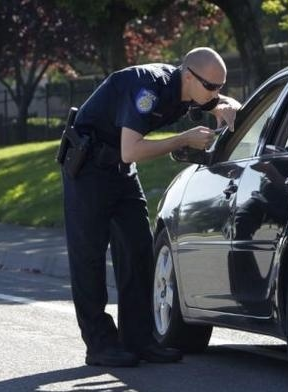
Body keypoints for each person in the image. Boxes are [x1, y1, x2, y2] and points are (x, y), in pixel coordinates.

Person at [61, 47, 241, 367]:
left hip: (120, 172)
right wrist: (183, 138)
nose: (216, 93)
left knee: (138, 251)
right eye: (212, 87)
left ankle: (139, 340)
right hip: (88, 169)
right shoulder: (148, 87)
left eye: (220, 86)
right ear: (188, 76)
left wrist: (224, 106)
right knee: (88, 258)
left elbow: (220, 102)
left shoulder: (189, 87)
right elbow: (131, 150)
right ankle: (100, 345)